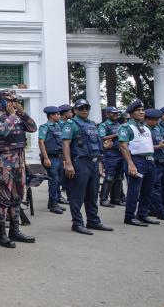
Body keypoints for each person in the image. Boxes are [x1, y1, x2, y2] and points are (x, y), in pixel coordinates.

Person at [0, 89, 37, 246]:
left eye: (15, 100)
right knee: (4, 199)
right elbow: (3, 131)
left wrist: (23, 113)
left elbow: (33, 128)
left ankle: (15, 231)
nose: (13, 102)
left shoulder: (18, 116)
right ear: (1, 100)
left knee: (17, 197)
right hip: (3, 162)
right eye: (9, 100)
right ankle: (2, 234)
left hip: (19, 162)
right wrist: (12, 115)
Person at [61, 99, 113, 235]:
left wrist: (101, 160)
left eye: (87, 108)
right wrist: (68, 164)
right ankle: (77, 223)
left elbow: (96, 145)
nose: (84, 110)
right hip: (80, 162)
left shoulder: (92, 124)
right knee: (77, 195)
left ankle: (93, 221)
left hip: (94, 162)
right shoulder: (71, 124)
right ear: (75, 110)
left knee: (93, 193)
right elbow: (65, 144)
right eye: (81, 108)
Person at [117, 104, 160, 226]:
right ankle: (129, 217)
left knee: (148, 189)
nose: (142, 112)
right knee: (134, 190)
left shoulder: (146, 127)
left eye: (142, 110)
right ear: (131, 114)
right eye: (138, 111)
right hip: (137, 160)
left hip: (149, 160)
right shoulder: (126, 127)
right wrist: (130, 164)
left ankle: (143, 214)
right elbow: (124, 147)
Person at [37, 106, 65, 214]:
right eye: (57, 114)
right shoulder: (45, 127)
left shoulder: (58, 126)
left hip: (59, 157)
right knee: (54, 181)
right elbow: (41, 142)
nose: (59, 116)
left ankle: (53, 201)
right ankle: (53, 204)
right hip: (51, 157)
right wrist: (46, 158)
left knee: (58, 181)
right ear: (51, 116)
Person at [98, 106, 124, 207]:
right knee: (109, 177)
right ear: (107, 114)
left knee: (119, 177)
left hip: (121, 152)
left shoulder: (120, 125)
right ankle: (103, 199)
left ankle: (116, 199)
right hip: (110, 153)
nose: (115, 115)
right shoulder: (104, 125)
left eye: (117, 113)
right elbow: (101, 137)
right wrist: (115, 135)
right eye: (113, 113)